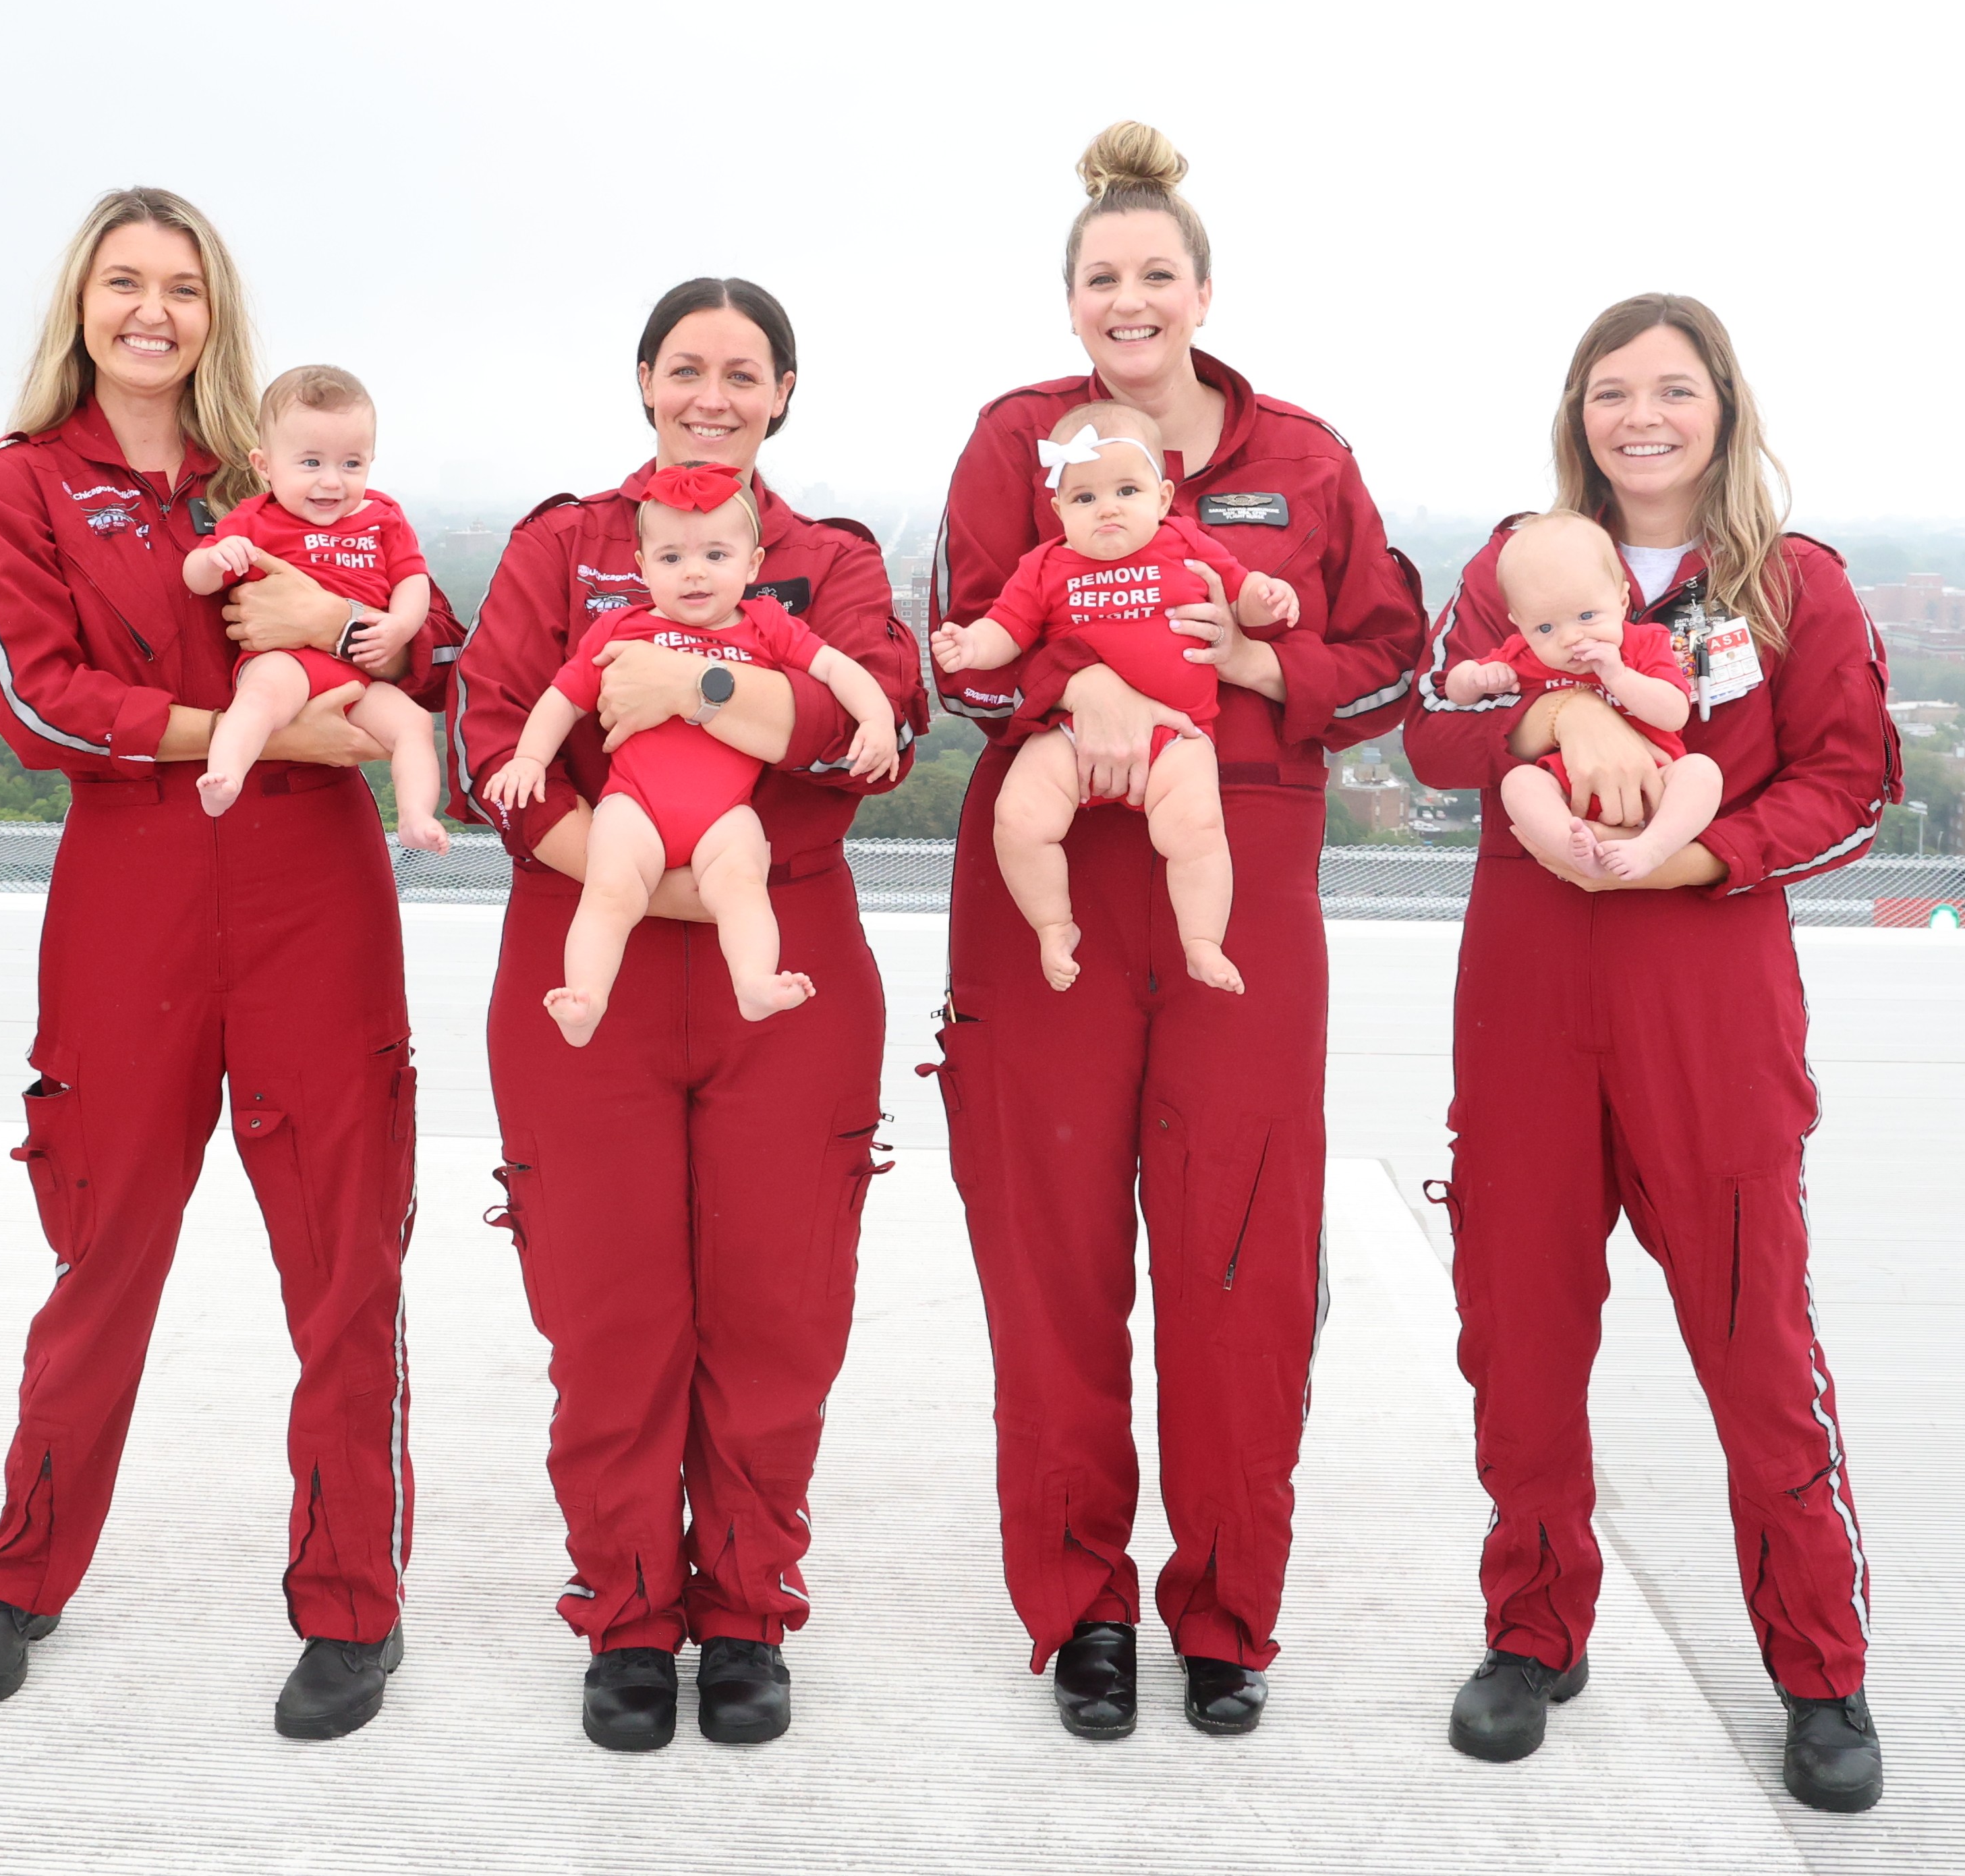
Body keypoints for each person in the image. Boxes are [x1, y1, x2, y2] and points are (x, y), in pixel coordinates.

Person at [0, 187, 463, 1742]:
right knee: (103, 1243)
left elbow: (429, 659)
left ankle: (350, 1609)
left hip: (315, 892)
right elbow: (34, 706)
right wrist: (229, 730)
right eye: (124, 283)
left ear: (217, 312)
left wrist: (343, 634)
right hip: (135, 896)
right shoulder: (20, 484)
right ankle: (22, 1578)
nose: (152, 311)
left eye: (182, 285)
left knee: (345, 1255)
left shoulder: (289, 466)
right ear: (81, 306)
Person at [928, 121, 1426, 1740]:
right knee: (1053, 1262)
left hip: (1235, 886)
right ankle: (1078, 1609)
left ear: (1201, 290)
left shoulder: (1305, 457)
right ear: (1068, 300)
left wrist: (1269, 670)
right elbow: (960, 657)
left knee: (1242, 1256)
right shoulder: (1016, 444)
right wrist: (1062, 676)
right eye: (1099, 280)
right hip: (1054, 889)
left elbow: (1393, 658)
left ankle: (1227, 1613)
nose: (1128, 302)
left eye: (1155, 276)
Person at [1404, 291, 1899, 1811]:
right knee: (1521, 1338)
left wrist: (1704, 856)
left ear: (1721, 410)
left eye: (1671, 390)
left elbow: (1848, 781)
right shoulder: (1520, 568)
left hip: (1708, 1008)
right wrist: (1554, 722)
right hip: (1531, 1007)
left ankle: (1818, 1670)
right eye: (1609, 390)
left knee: (1755, 1351)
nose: (1639, 416)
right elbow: (1426, 737)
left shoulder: (1785, 587)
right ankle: (1530, 1631)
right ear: (1575, 414)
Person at [451, 276, 923, 1751]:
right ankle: (627, 1612)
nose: (709, 394)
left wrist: (689, 683)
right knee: (606, 1308)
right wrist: (652, 876)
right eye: (682, 368)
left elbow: (872, 737)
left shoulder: (828, 561)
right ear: (642, 382)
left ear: (783, 391)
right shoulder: (561, 546)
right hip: (591, 966)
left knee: (777, 1309)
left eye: (740, 372)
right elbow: (490, 748)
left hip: (779, 984)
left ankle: (745, 1611)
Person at [483, 465, 901, 1041]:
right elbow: (562, 698)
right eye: (672, 559)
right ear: (642, 568)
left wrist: (876, 717)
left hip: (725, 812)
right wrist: (529, 758)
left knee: (742, 886)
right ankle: (586, 997)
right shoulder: (619, 629)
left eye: (717, 556)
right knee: (609, 889)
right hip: (634, 803)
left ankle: (754, 982)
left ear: (753, 565)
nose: (695, 574)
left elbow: (837, 668)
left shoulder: (766, 624)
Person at [930, 399, 1298, 992]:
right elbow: (1008, 629)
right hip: (1071, 734)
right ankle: (1054, 924)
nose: (1107, 508)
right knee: (1018, 818)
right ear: (1058, 511)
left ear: (1162, 496)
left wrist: (1265, 600)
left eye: (1127, 490)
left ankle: (1202, 939)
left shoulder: (1187, 542)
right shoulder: (1045, 565)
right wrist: (971, 646)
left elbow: (1243, 592)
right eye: (1084, 498)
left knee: (1199, 830)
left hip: (1180, 736)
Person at [182, 364, 449, 849]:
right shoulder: (256, 519)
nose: (331, 482)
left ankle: (415, 816)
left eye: (351, 464)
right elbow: (197, 579)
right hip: (287, 661)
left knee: (413, 724)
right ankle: (224, 777)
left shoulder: (382, 517)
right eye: (310, 464)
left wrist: (400, 626)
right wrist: (213, 559)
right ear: (264, 465)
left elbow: (413, 580)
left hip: (358, 671)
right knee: (259, 700)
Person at [1437, 510, 1724, 880]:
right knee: (1520, 784)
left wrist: (1619, 676)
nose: (1570, 638)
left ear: (1621, 602)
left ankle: (1653, 847)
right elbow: (1453, 689)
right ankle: (1572, 848)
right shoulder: (1524, 654)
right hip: (1567, 787)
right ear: (1519, 626)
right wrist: (1476, 678)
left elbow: (1674, 714)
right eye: (1545, 627)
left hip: (1657, 783)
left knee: (1701, 773)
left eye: (1587, 616)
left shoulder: (1644, 645)